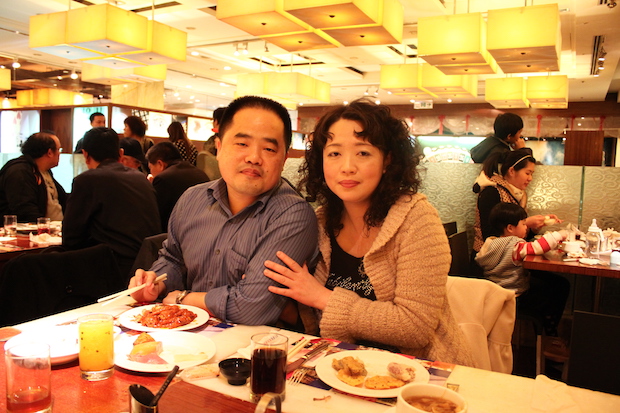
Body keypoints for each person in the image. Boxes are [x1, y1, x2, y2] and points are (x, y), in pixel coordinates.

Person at [263, 99, 474, 365]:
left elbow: (415, 327)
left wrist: (323, 297)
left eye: (363, 153)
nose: (347, 166)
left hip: (422, 371)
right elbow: (318, 320)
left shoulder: (416, 220)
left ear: (387, 160)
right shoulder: (321, 223)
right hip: (343, 368)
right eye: (334, 154)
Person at [128, 96, 318, 327]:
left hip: (257, 344)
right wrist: (157, 283)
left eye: (269, 149)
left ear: (284, 158)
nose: (254, 158)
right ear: (219, 147)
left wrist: (184, 298)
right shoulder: (192, 199)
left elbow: (252, 308)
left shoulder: (292, 215)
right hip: (186, 336)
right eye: (242, 144)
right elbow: (173, 258)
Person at [63, 127, 161, 279]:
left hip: (112, 270)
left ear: (85, 154)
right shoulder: (141, 178)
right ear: (120, 153)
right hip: (150, 266)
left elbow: (70, 237)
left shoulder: (87, 180)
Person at [475, 202, 570, 339]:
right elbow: (537, 247)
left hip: (496, 295)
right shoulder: (514, 246)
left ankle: (548, 334)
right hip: (514, 297)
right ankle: (549, 335)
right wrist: (560, 234)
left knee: (552, 288)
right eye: (524, 224)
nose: (526, 227)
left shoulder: (490, 244)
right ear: (510, 228)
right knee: (553, 295)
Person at [0, 131, 66, 222]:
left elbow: (63, 199)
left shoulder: (44, 171)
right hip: (31, 229)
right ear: (50, 152)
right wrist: (44, 226)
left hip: (53, 228)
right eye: (59, 149)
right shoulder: (20, 172)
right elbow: (25, 210)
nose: (59, 154)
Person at [146, 141, 208, 230]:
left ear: (160, 164)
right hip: (203, 226)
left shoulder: (163, 178)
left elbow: (156, 216)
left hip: (177, 231)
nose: (151, 172)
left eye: (150, 168)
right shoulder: (200, 173)